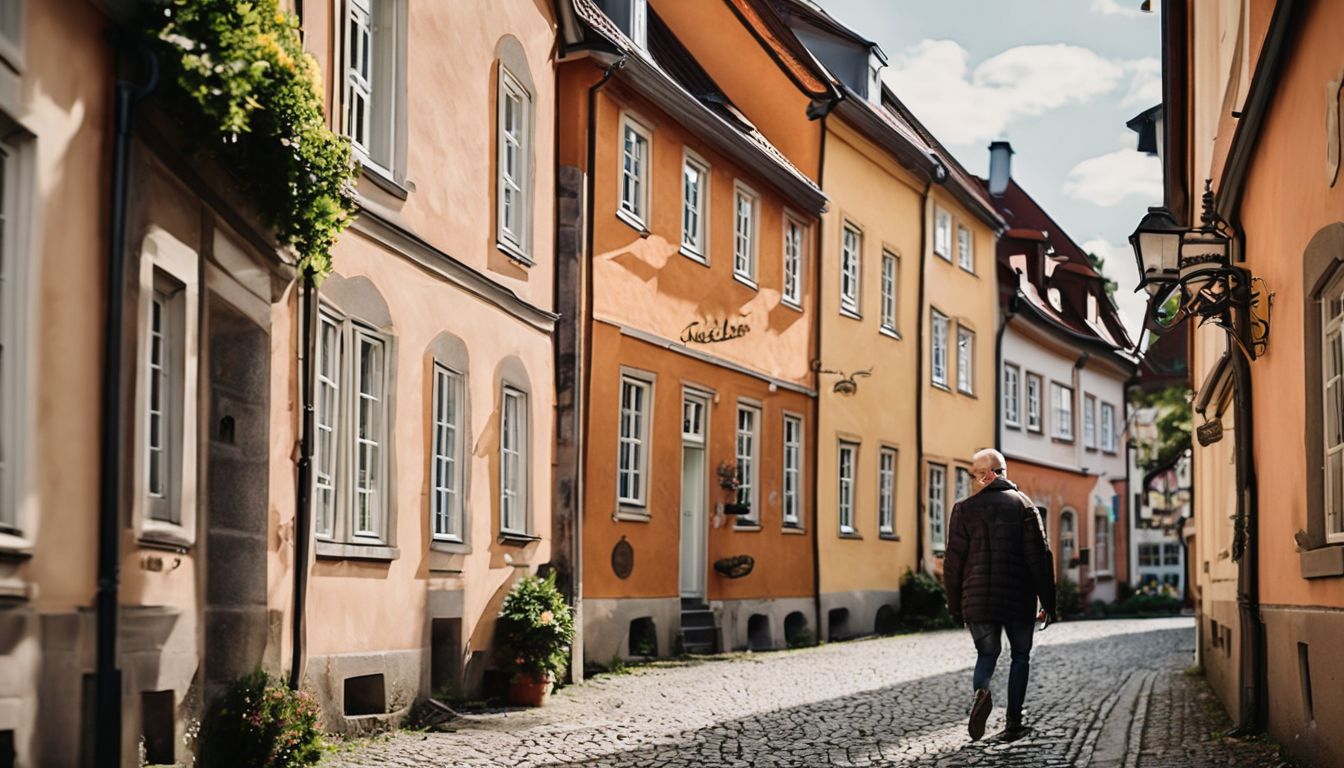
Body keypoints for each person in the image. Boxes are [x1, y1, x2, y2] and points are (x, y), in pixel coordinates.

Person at [943, 448, 1057, 743]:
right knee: (1020, 656)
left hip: (977, 599)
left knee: (987, 653)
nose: (975, 479)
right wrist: (1049, 603)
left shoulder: (963, 509)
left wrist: (955, 605)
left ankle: (981, 691)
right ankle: (1014, 723)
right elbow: (1040, 558)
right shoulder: (1025, 506)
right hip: (1018, 597)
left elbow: (953, 561)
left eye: (976, 473)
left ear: (986, 474)